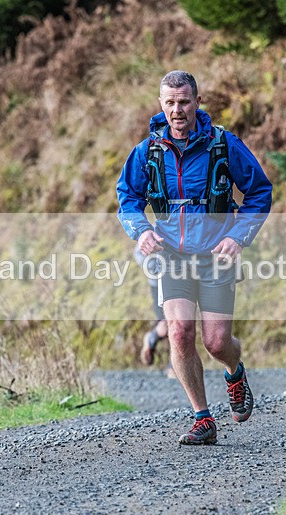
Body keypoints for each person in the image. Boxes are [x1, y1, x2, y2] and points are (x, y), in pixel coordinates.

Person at [117, 70, 272, 445]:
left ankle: (235, 372)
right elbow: (127, 200)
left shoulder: (223, 144)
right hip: (172, 254)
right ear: (161, 105)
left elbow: (259, 193)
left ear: (197, 102)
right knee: (179, 331)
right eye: (169, 103)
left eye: (184, 102)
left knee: (217, 342)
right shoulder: (147, 152)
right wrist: (143, 231)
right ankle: (202, 417)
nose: (177, 110)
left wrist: (238, 237)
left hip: (217, 254)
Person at [133, 244, 172, 375]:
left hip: (183, 280)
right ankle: (172, 366)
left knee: (180, 322)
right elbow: (139, 252)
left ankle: (153, 338)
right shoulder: (155, 229)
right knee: (167, 324)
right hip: (158, 283)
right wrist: (155, 270)